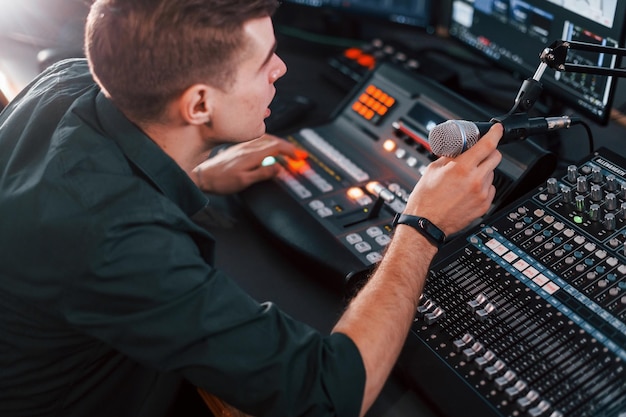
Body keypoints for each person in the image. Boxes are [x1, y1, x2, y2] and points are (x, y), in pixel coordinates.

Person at [0, 0, 503, 416]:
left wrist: (197, 175)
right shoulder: (120, 241)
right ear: (198, 105)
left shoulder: (64, 82)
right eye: (264, 61)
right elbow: (328, 394)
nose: (281, 68)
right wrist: (420, 227)